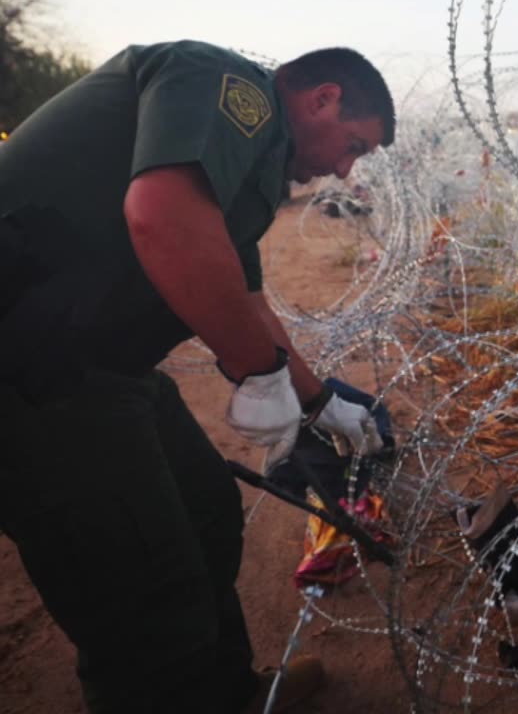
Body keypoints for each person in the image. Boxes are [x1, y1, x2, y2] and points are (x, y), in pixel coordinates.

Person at [0, 40, 395, 713]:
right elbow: (161, 217)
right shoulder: (222, 82)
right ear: (322, 97)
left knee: (207, 509)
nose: (341, 167)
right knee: (146, 595)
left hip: (98, 365)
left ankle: (224, 693)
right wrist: (256, 373)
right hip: (31, 371)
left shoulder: (246, 169)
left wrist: (317, 400)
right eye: (352, 144)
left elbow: (244, 297)